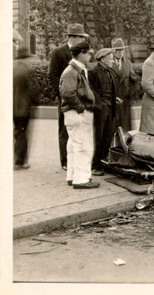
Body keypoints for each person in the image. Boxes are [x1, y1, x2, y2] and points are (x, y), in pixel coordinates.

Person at [48, 23, 89, 171]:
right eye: (80, 37)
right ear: (73, 37)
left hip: (80, 99)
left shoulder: (81, 53)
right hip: (66, 98)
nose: (82, 40)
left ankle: (76, 158)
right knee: (65, 129)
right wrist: (61, 95)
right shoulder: (58, 52)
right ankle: (65, 161)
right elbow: (52, 76)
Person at [59, 41, 99, 189]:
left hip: (74, 113)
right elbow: (68, 93)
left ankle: (73, 175)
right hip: (77, 113)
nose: (90, 56)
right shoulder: (72, 71)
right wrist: (80, 107)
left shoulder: (74, 70)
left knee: (74, 146)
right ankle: (81, 179)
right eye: (88, 53)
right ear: (81, 53)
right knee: (83, 146)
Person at [89, 48, 120, 176]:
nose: (113, 61)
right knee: (98, 136)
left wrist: (114, 98)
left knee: (107, 135)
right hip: (101, 109)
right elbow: (93, 91)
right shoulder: (94, 72)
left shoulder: (109, 71)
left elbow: (110, 89)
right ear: (102, 59)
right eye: (111, 58)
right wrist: (100, 104)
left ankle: (102, 161)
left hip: (109, 107)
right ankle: (95, 165)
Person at [13, 47, 39, 170]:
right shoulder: (26, 71)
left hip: (12, 107)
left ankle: (16, 158)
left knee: (17, 133)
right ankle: (20, 161)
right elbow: (34, 89)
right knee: (23, 133)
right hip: (23, 108)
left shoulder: (12, 69)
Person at [110, 38, 138, 132]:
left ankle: (124, 145)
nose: (120, 52)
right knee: (114, 128)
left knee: (125, 128)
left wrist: (130, 93)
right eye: (118, 50)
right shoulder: (108, 63)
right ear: (112, 51)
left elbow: (133, 80)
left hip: (125, 99)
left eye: (122, 50)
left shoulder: (127, 63)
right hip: (113, 100)